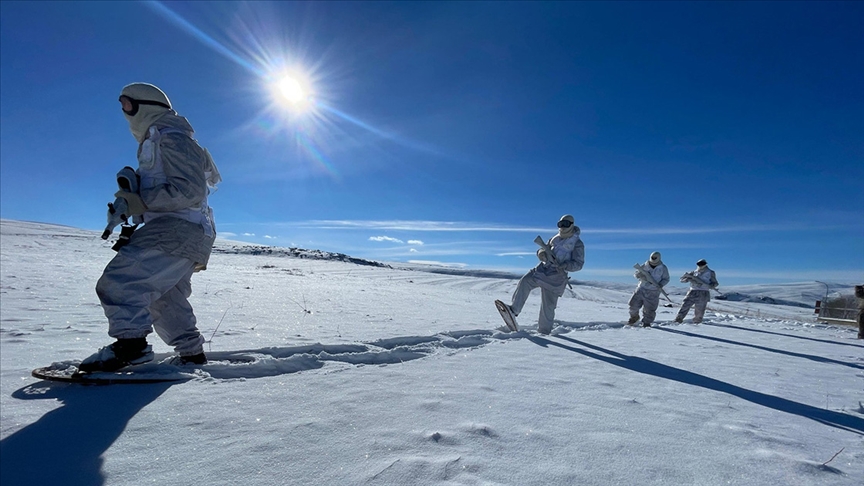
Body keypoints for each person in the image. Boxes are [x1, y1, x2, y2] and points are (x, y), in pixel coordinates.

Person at [79, 83, 221, 372]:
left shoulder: (172, 138)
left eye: (128, 104)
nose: (125, 112)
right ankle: (192, 354)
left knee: (121, 281)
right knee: (165, 297)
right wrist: (129, 203)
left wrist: (140, 200)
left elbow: (189, 190)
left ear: (147, 105)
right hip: (188, 231)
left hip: (177, 229)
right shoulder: (159, 140)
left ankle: (131, 347)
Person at [504, 214, 585, 334]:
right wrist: (541, 253)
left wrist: (565, 265)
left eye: (565, 224)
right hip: (542, 270)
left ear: (572, 225)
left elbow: (578, 264)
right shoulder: (555, 239)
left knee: (548, 307)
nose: (562, 227)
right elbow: (544, 249)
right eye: (560, 224)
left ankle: (544, 333)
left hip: (556, 277)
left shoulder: (577, 244)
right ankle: (513, 311)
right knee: (525, 281)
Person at [628, 251, 670, 327]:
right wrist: (640, 276)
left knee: (650, 309)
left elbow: (666, 279)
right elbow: (636, 273)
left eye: (655, 258)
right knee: (633, 305)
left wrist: (660, 285)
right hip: (641, 288)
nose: (653, 259)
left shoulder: (663, 268)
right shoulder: (645, 265)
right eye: (652, 257)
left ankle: (646, 323)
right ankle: (634, 318)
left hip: (653, 291)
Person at [675, 259, 718, 324]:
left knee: (700, 310)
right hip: (692, 291)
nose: (700, 265)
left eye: (702, 263)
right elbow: (682, 279)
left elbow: (715, 283)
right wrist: (689, 279)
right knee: (685, 305)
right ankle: (678, 320)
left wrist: (712, 286)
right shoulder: (693, 272)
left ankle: (697, 323)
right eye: (699, 264)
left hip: (703, 292)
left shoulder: (710, 272)